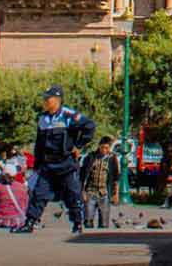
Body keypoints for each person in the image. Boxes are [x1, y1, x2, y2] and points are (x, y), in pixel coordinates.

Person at [12, 84, 94, 234]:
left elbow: (90, 126)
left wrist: (78, 145)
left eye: (48, 99)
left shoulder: (69, 116)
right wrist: (37, 165)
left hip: (66, 163)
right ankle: (30, 222)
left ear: (57, 100)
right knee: (39, 194)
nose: (45, 101)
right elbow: (39, 143)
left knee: (73, 194)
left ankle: (78, 223)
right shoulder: (42, 119)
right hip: (48, 165)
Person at [79, 137, 119, 230]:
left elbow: (116, 178)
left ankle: (100, 240)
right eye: (103, 147)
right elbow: (82, 175)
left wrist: (115, 194)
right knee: (88, 221)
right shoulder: (91, 157)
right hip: (90, 192)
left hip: (104, 193)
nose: (104, 150)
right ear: (99, 146)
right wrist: (82, 192)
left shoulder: (112, 159)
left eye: (107, 148)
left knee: (104, 224)